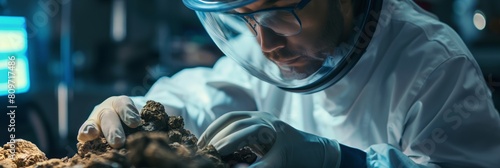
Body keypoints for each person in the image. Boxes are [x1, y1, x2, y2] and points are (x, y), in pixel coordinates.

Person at [77, 0, 500, 167]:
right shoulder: (270, 41)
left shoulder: (433, 65)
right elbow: (207, 95)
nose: (266, 46)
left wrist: (340, 163)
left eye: (281, 15)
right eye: (246, 20)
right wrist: (147, 113)